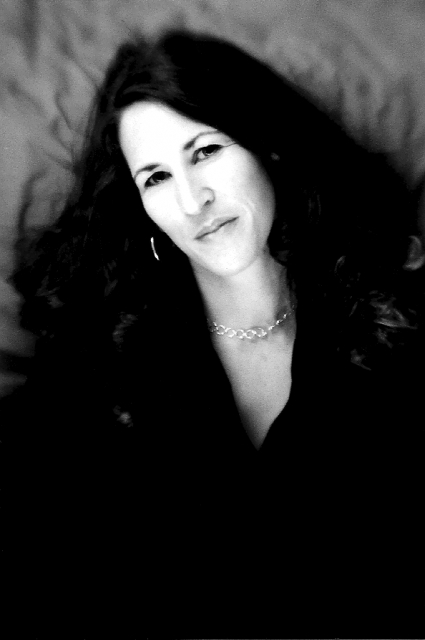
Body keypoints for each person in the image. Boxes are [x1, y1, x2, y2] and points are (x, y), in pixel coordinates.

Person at [4, 29, 425, 613]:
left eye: (204, 152)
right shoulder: (101, 361)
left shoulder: (387, 319)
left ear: (267, 147)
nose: (191, 200)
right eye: (156, 177)